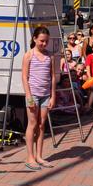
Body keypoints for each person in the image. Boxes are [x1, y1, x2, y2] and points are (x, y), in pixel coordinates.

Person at [21, 26, 55, 171]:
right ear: (35, 39)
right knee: (32, 124)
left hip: (45, 95)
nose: (44, 44)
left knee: (42, 125)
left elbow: (52, 77)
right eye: (41, 41)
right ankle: (30, 157)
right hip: (33, 94)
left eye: (46, 41)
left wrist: (53, 95)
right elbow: (24, 76)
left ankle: (39, 156)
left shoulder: (50, 56)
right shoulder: (29, 55)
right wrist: (28, 95)